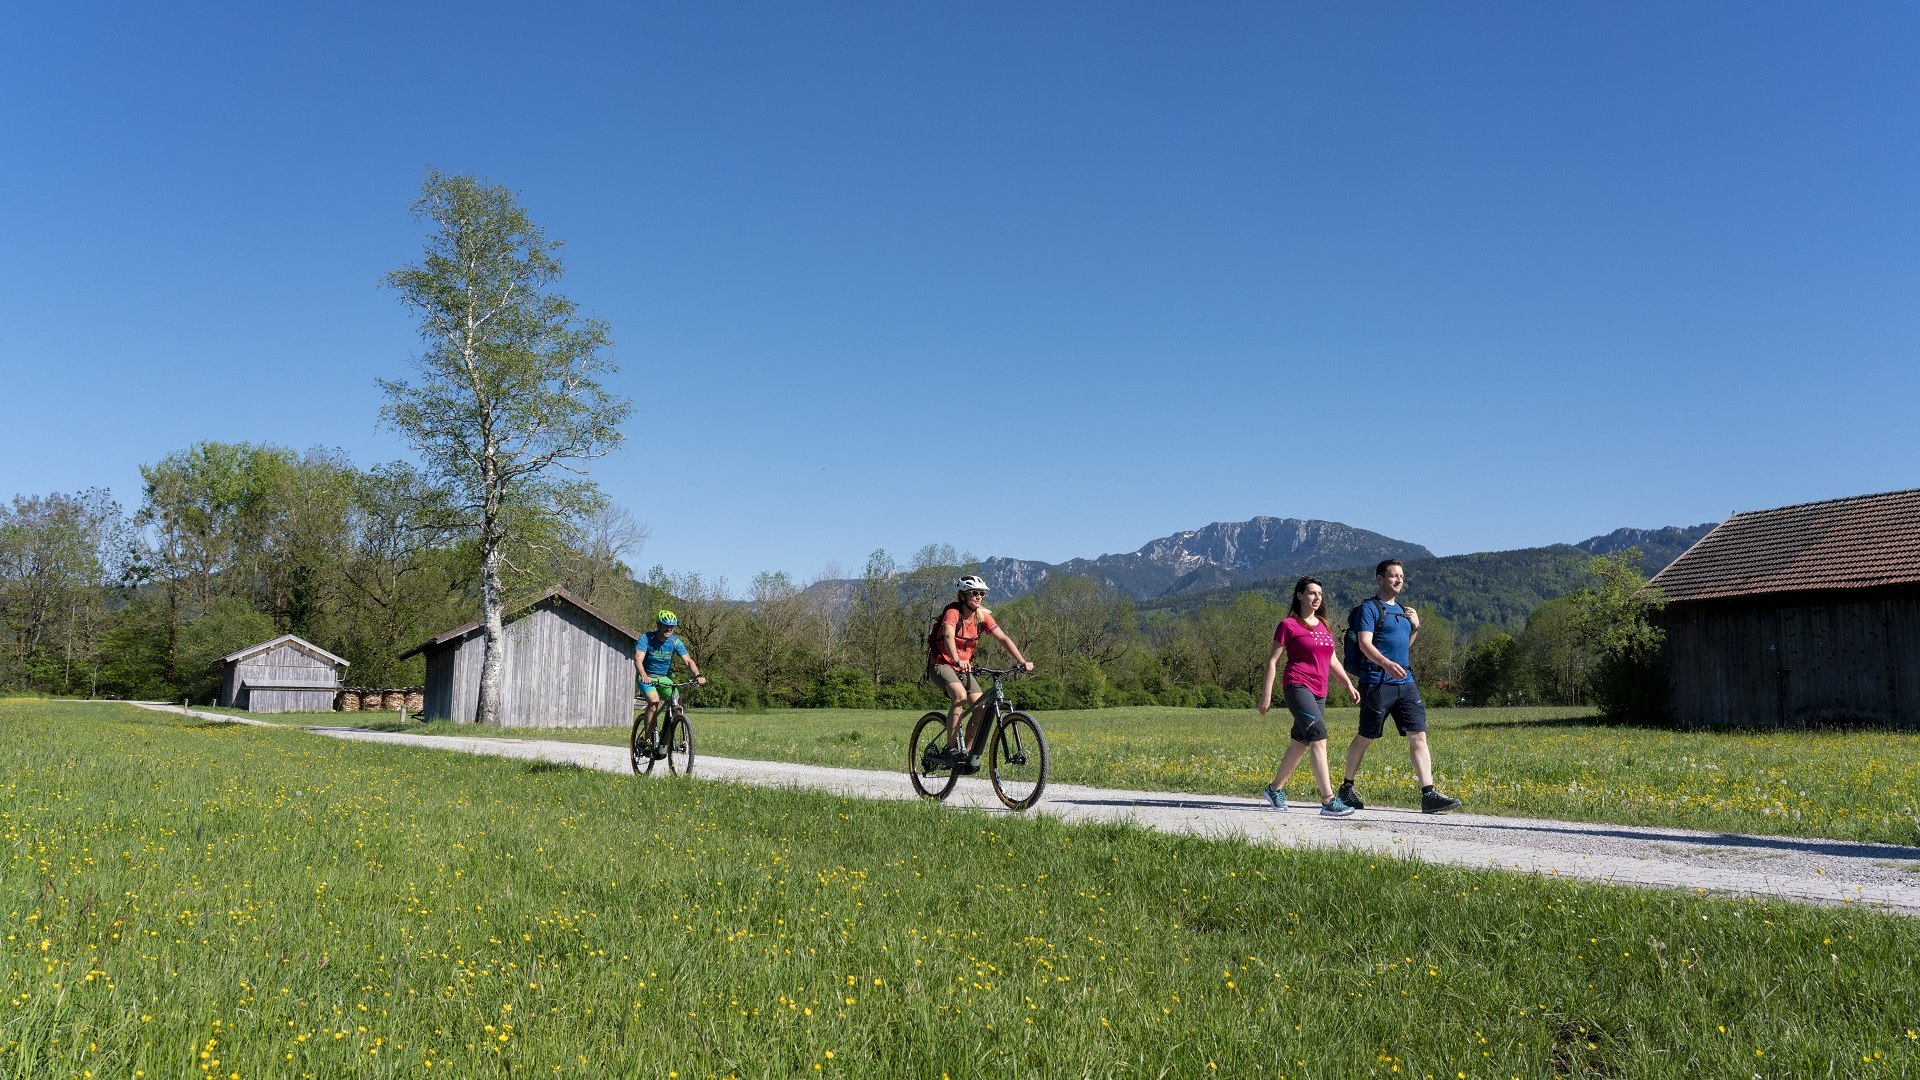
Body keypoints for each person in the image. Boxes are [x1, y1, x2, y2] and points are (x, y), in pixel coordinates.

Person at [1339, 560, 1461, 814]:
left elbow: (1404, 647)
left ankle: (1429, 794)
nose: (1398, 580)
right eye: (1393, 576)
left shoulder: (1405, 612)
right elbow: (1364, 643)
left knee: (1418, 735)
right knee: (1367, 736)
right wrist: (1384, 663)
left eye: (1401, 576)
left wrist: (1415, 627)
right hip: (1376, 682)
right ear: (1380, 578)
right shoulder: (1369, 608)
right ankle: (1346, 788)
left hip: (1405, 682)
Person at [1256, 577, 1360, 817]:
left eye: (1320, 594)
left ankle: (1274, 789)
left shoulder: (1324, 626)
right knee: (1318, 737)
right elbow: (1273, 661)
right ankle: (1328, 801)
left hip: (1319, 691)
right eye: (1312, 593)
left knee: (1300, 743)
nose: (1317, 598)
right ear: (1300, 595)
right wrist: (1266, 694)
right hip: (1297, 685)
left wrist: (1348, 685)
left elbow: (1332, 660)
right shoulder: (1288, 625)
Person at [927, 575, 1033, 770]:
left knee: (981, 707)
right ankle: (951, 748)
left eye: (982, 594)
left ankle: (965, 754)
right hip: (941, 664)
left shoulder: (981, 616)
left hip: (964, 669)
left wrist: (1021, 661)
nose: (979, 597)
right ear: (963, 596)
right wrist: (957, 659)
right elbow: (949, 635)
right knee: (959, 695)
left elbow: (1003, 638)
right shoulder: (953, 612)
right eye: (974, 593)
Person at [635, 610, 705, 758]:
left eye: (671, 627)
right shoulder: (646, 638)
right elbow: (638, 660)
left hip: (664, 678)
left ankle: (667, 737)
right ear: (659, 625)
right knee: (654, 701)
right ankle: (647, 740)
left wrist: (697, 675)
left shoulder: (674, 641)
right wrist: (644, 675)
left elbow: (688, 660)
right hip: (647, 677)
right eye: (666, 626)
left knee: (676, 701)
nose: (669, 630)